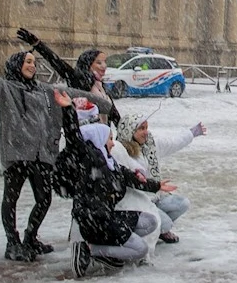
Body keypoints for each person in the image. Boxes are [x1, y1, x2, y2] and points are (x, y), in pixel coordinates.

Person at [0, 49, 113, 262]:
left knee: (44, 199)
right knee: (11, 198)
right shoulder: (7, 89)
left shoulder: (46, 91)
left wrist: (103, 104)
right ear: (17, 65)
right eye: (27, 62)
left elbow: (74, 94)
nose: (32, 66)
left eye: (34, 62)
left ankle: (31, 238)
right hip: (17, 153)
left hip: (42, 155)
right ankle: (12, 242)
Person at [53, 89, 175, 277]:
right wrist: (68, 110)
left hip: (107, 216)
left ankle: (111, 251)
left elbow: (130, 178)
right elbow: (74, 138)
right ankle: (90, 250)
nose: (112, 143)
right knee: (140, 249)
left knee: (150, 222)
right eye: (109, 138)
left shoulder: (108, 161)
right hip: (94, 221)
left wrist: (156, 186)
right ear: (98, 139)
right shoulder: (89, 158)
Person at [113, 112, 207, 243]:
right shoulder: (120, 152)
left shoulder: (149, 145)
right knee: (166, 224)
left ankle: (156, 228)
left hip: (155, 197)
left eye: (146, 128)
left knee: (182, 204)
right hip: (137, 203)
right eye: (141, 128)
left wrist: (191, 133)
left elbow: (172, 142)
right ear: (130, 131)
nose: (146, 132)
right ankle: (145, 232)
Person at [18, 28, 114, 124]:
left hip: (103, 136)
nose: (104, 66)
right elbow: (57, 63)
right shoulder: (79, 79)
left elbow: (112, 111)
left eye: (105, 62)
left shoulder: (101, 87)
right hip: (82, 134)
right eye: (99, 63)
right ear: (88, 64)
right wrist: (38, 45)